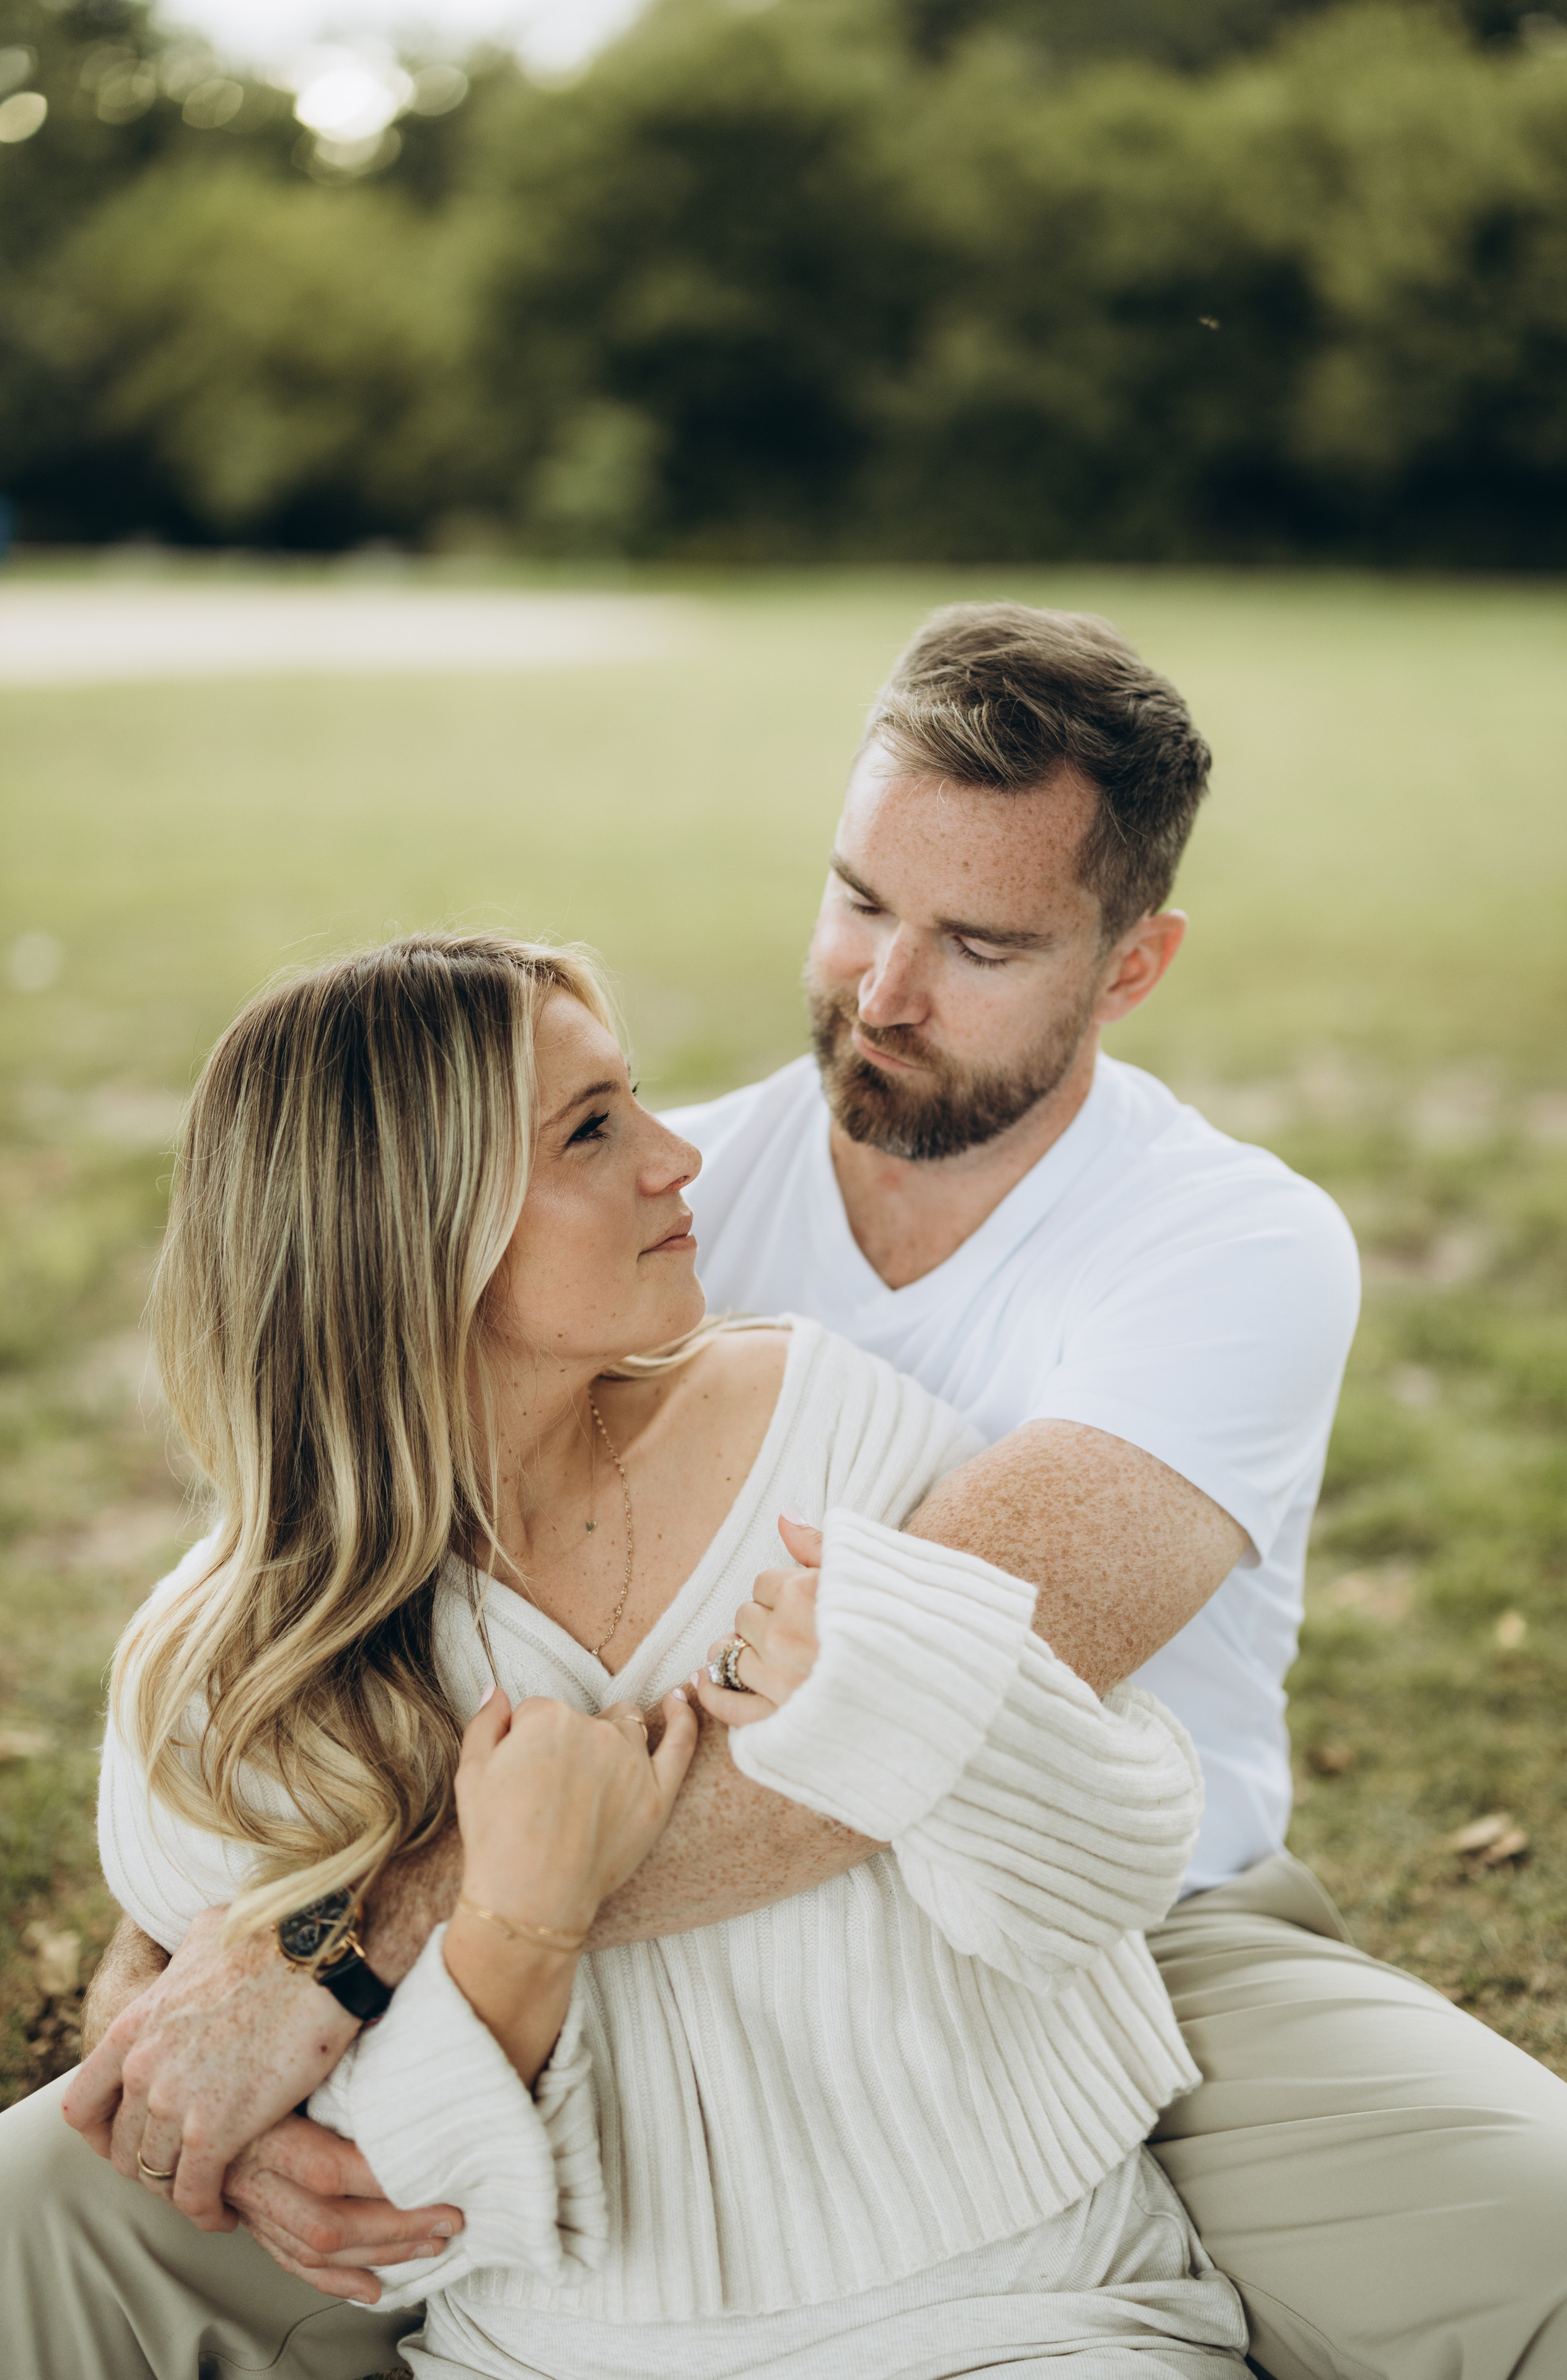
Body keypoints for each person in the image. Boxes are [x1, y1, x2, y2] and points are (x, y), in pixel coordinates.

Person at [9, 600, 1567, 2378]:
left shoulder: (1230, 1246)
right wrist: (171, 1998)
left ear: (1130, 965)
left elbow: (931, 1705)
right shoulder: (671, 1205)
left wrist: (341, 1951)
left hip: (1134, 1942)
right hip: (594, 2000)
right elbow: (329, 1568)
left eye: (979, 942)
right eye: (857, 901)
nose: (881, 992)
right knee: (37, 2218)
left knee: (1564, 2252)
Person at [1, 930, 1249, 2380]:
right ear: (406, 1227)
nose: (677, 1158)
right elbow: (386, 2226)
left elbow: (1103, 1872)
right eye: (591, 1130)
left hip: (1036, 2316)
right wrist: (514, 1929)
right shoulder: (223, 1684)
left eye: (633, 1100)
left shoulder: (822, 1423)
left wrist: (897, 1675)